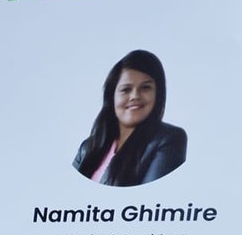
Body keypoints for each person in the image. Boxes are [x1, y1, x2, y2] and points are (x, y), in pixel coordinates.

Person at [73, 49, 186, 187]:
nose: (135, 96)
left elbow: (151, 195)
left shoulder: (169, 139)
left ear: (158, 94)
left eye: (145, 88)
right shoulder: (87, 148)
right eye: (126, 89)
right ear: (111, 96)